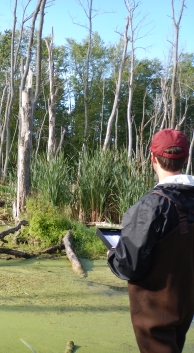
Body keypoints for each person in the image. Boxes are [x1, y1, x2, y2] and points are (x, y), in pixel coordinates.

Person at [107, 128, 194, 353]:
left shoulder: (151, 207)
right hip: (185, 305)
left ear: (152, 158)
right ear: (185, 157)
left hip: (155, 314)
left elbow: (130, 267)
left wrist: (113, 255)